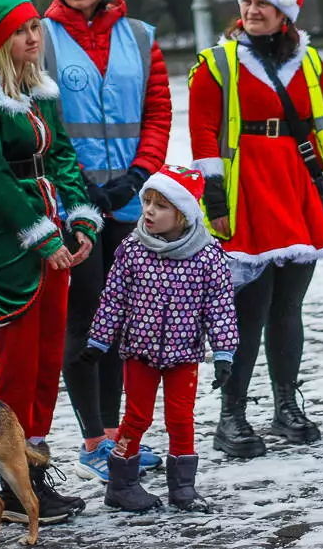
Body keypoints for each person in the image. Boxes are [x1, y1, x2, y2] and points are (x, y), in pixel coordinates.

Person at [189, 0, 323, 455]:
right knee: (250, 308)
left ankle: (286, 406)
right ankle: (232, 416)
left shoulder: (308, 61)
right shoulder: (216, 63)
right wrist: (214, 195)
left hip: (298, 189)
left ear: (285, 11)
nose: (252, 10)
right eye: (246, 1)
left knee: (289, 306)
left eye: (263, 2)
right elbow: (202, 132)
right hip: (247, 195)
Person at [0, 0, 99, 525]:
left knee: (45, 363)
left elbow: (61, 154)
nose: (34, 36)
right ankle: (12, 482)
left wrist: (79, 216)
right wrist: (43, 236)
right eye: (22, 30)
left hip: (52, 231)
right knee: (16, 365)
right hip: (6, 239)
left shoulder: (40, 87)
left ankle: (33, 469)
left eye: (36, 26)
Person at [39, 0, 172, 482]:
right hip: (72, 204)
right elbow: (38, 121)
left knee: (119, 321)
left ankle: (119, 435)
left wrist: (139, 177)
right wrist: (75, 192)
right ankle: (93, 437)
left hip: (128, 201)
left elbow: (158, 112)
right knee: (84, 318)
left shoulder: (140, 37)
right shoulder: (39, 37)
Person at [81, 166, 238, 513]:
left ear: (182, 214)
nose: (149, 211)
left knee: (180, 418)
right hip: (140, 352)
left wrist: (224, 352)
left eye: (160, 206)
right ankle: (120, 484)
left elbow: (220, 306)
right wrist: (99, 341)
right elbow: (114, 299)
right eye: (147, 201)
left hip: (184, 355)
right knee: (136, 417)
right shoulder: (133, 249)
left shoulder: (207, 255)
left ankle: (183, 488)